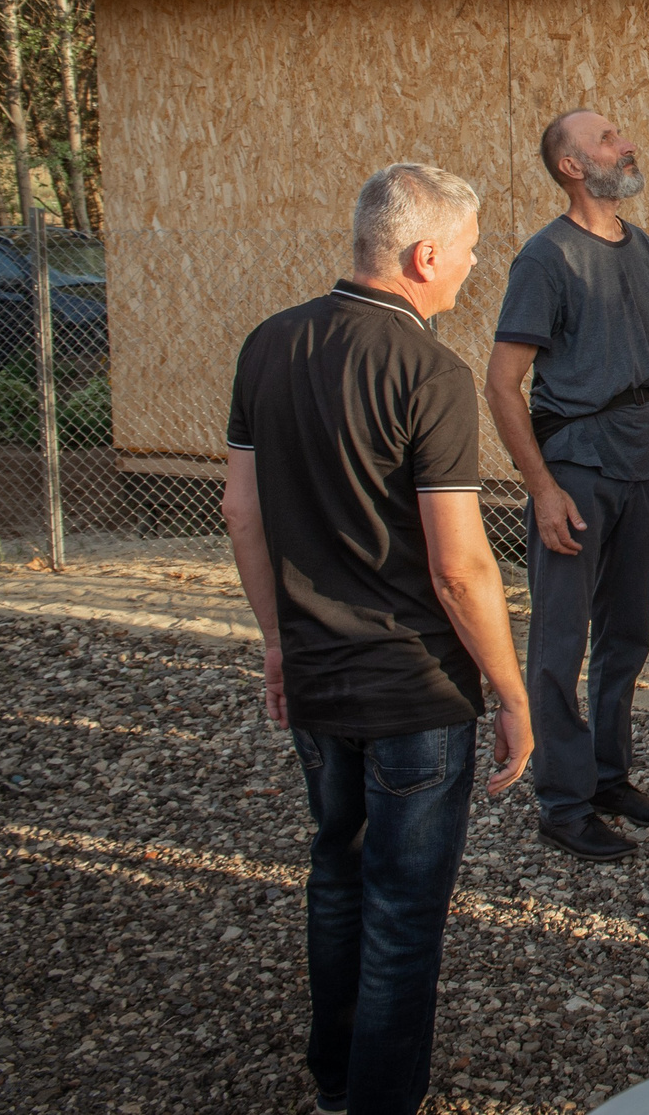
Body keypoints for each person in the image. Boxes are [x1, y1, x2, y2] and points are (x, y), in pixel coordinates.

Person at [222, 163, 534, 1115]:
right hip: (414, 690)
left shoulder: (268, 345)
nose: (472, 272)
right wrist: (514, 692)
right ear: (423, 253)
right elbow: (458, 567)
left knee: (336, 876)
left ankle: (332, 1080)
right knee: (402, 912)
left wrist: (277, 639)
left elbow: (242, 511)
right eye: (470, 253)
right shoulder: (429, 370)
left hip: (316, 672)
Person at [485, 109, 649, 863]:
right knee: (561, 640)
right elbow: (501, 384)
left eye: (620, 136)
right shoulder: (546, 258)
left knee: (625, 634)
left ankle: (606, 775)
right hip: (576, 465)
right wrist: (542, 487)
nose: (625, 145)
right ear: (570, 165)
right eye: (605, 139)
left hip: (638, 461)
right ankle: (562, 803)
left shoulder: (644, 250)